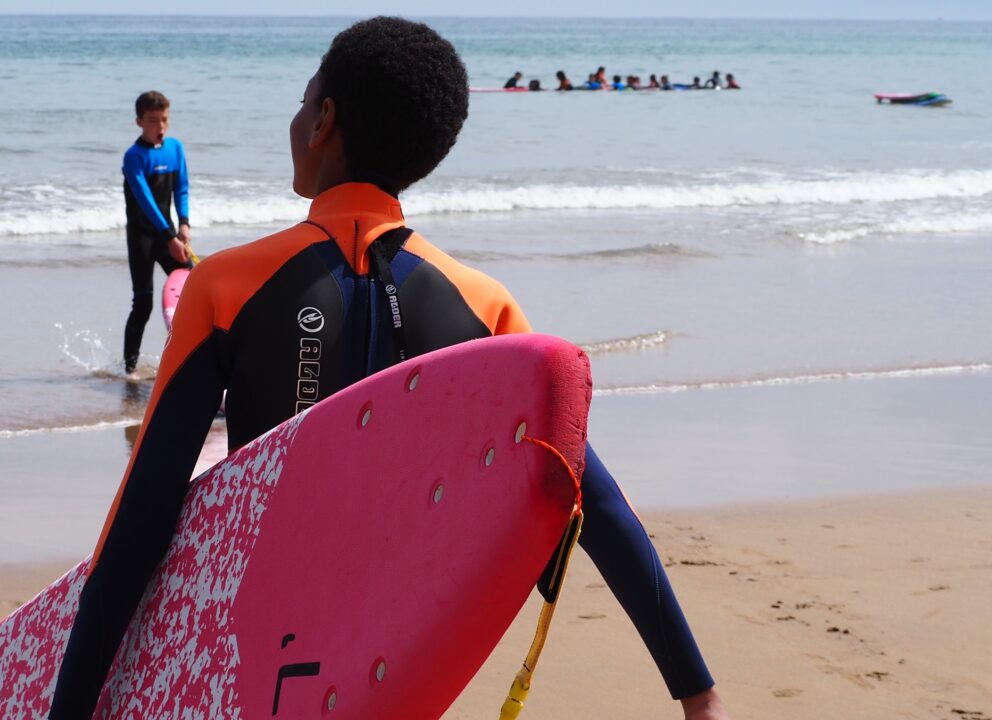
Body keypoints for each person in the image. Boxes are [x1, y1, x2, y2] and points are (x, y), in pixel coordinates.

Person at [48, 17, 731, 720]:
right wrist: (696, 691)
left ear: (324, 121)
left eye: (303, 100)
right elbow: (590, 502)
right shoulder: (484, 306)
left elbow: (144, 520)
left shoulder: (224, 288)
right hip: (399, 651)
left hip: (266, 645)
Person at [120, 90, 192, 375]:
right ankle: (129, 370)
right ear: (139, 121)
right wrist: (170, 238)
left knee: (194, 290)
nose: (160, 126)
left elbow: (181, 188)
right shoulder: (133, 157)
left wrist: (184, 224)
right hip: (143, 239)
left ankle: (196, 363)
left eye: (164, 119)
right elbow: (146, 203)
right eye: (152, 120)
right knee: (144, 303)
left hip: (169, 236)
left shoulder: (175, 148)